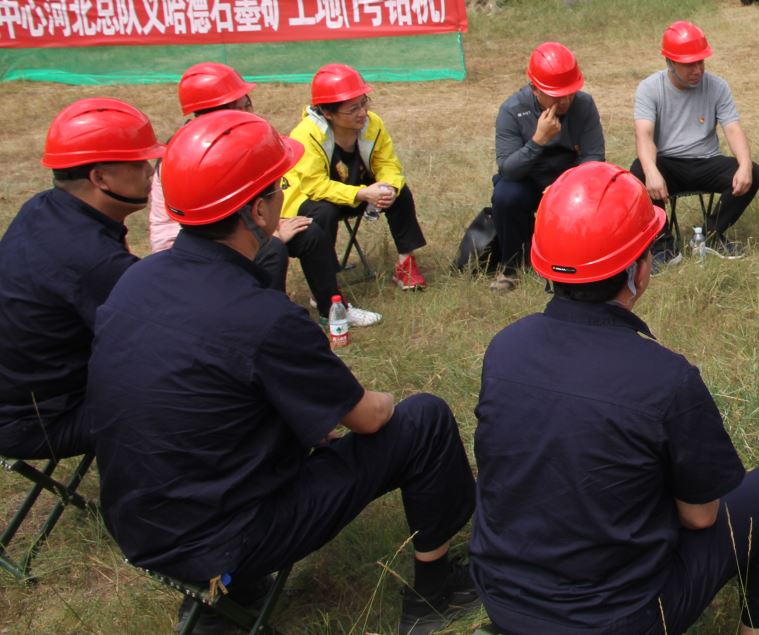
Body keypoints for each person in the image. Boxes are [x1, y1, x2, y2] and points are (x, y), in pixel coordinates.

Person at [86, 111, 479, 635]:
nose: (284, 194)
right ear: (257, 210)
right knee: (424, 421)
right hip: (224, 536)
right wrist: (384, 400)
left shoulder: (137, 280)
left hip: (137, 522)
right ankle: (435, 593)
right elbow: (367, 418)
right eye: (279, 187)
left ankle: (229, 601)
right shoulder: (263, 317)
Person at [471, 162, 759, 634]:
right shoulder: (666, 378)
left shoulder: (504, 348)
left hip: (502, 600)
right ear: (638, 271)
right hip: (618, 621)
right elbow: (701, 516)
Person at [0, 99, 162, 460]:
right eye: (138, 163)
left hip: (20, 397)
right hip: (35, 421)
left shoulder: (42, 207)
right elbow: (167, 338)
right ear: (99, 178)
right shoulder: (94, 261)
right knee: (196, 385)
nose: (150, 172)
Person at [282, 63, 423, 324]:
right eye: (353, 109)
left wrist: (388, 186)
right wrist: (363, 194)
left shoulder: (373, 124)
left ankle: (406, 263)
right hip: (316, 200)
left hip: (359, 191)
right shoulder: (306, 134)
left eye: (363, 103)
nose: (363, 113)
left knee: (399, 193)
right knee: (323, 212)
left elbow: (388, 164)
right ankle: (324, 289)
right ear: (328, 113)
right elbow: (314, 186)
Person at [147, 62, 307, 290]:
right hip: (188, 247)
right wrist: (268, 233)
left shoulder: (226, 147)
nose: (250, 113)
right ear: (222, 113)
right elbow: (210, 226)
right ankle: (262, 306)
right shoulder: (194, 155)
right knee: (272, 250)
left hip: (224, 233)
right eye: (243, 106)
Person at [632, 20, 759, 261]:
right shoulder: (649, 88)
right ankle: (662, 244)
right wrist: (651, 171)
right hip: (668, 163)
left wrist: (744, 165)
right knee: (638, 171)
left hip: (706, 161)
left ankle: (712, 234)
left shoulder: (718, 86)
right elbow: (644, 135)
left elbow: (733, 129)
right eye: (689, 64)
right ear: (670, 62)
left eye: (700, 62)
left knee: (752, 171)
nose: (697, 70)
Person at [490, 42, 604, 292]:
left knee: (600, 189)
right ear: (535, 89)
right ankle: (512, 267)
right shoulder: (512, 110)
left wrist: (564, 186)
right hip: (528, 180)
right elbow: (507, 169)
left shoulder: (584, 105)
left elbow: (594, 157)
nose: (566, 99)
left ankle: (581, 258)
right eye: (557, 94)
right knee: (505, 195)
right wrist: (538, 140)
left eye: (570, 92)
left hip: (570, 177)